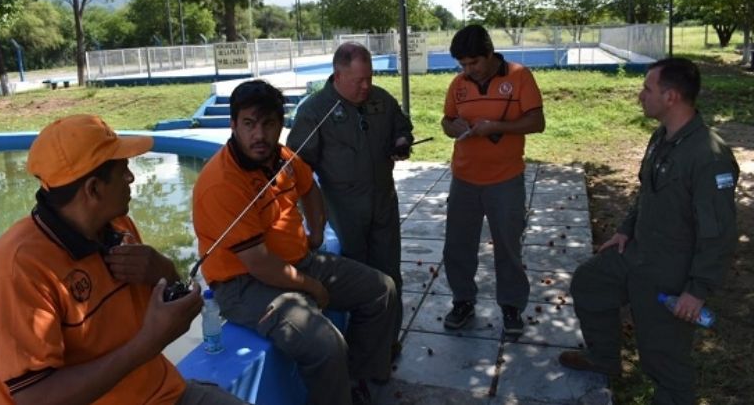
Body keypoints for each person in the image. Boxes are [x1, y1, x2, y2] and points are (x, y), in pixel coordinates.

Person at [0, 114, 247, 405]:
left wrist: (165, 271)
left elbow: (160, 307)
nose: (131, 178)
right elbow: (36, 397)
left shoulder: (118, 225)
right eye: (123, 170)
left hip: (164, 394)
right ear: (93, 189)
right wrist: (146, 345)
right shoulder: (18, 269)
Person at [192, 80, 399, 405]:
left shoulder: (282, 157)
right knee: (326, 344)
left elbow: (309, 188)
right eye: (248, 124)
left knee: (381, 290)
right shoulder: (221, 183)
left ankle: (358, 378)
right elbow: (259, 263)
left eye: (268, 124)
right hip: (243, 284)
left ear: (280, 125)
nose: (259, 135)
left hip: (296, 261)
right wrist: (312, 287)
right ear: (233, 125)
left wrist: (316, 232)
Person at [559, 58, 739, 404]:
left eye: (647, 89)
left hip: (670, 273)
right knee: (590, 282)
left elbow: (719, 233)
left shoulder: (708, 156)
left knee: (663, 359)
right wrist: (625, 229)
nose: (641, 96)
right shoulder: (662, 137)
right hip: (638, 253)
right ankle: (605, 359)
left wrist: (696, 291)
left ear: (671, 96)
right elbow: (647, 192)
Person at [286, 41, 414, 354]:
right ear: (337, 75)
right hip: (344, 211)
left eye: (369, 77)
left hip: (383, 203)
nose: (366, 86)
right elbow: (296, 168)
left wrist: (401, 140)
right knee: (359, 282)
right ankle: (358, 350)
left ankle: (387, 342)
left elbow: (402, 126)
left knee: (390, 274)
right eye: (358, 80)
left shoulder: (380, 100)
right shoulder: (315, 111)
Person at [439, 24, 545, 337]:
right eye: (463, 65)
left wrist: (496, 126)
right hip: (464, 178)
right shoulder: (458, 84)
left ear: (490, 54)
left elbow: (537, 122)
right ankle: (462, 301)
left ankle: (511, 307)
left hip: (506, 179)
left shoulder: (519, 76)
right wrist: (453, 126)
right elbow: (446, 121)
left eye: (474, 63)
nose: (469, 70)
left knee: (508, 245)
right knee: (457, 245)